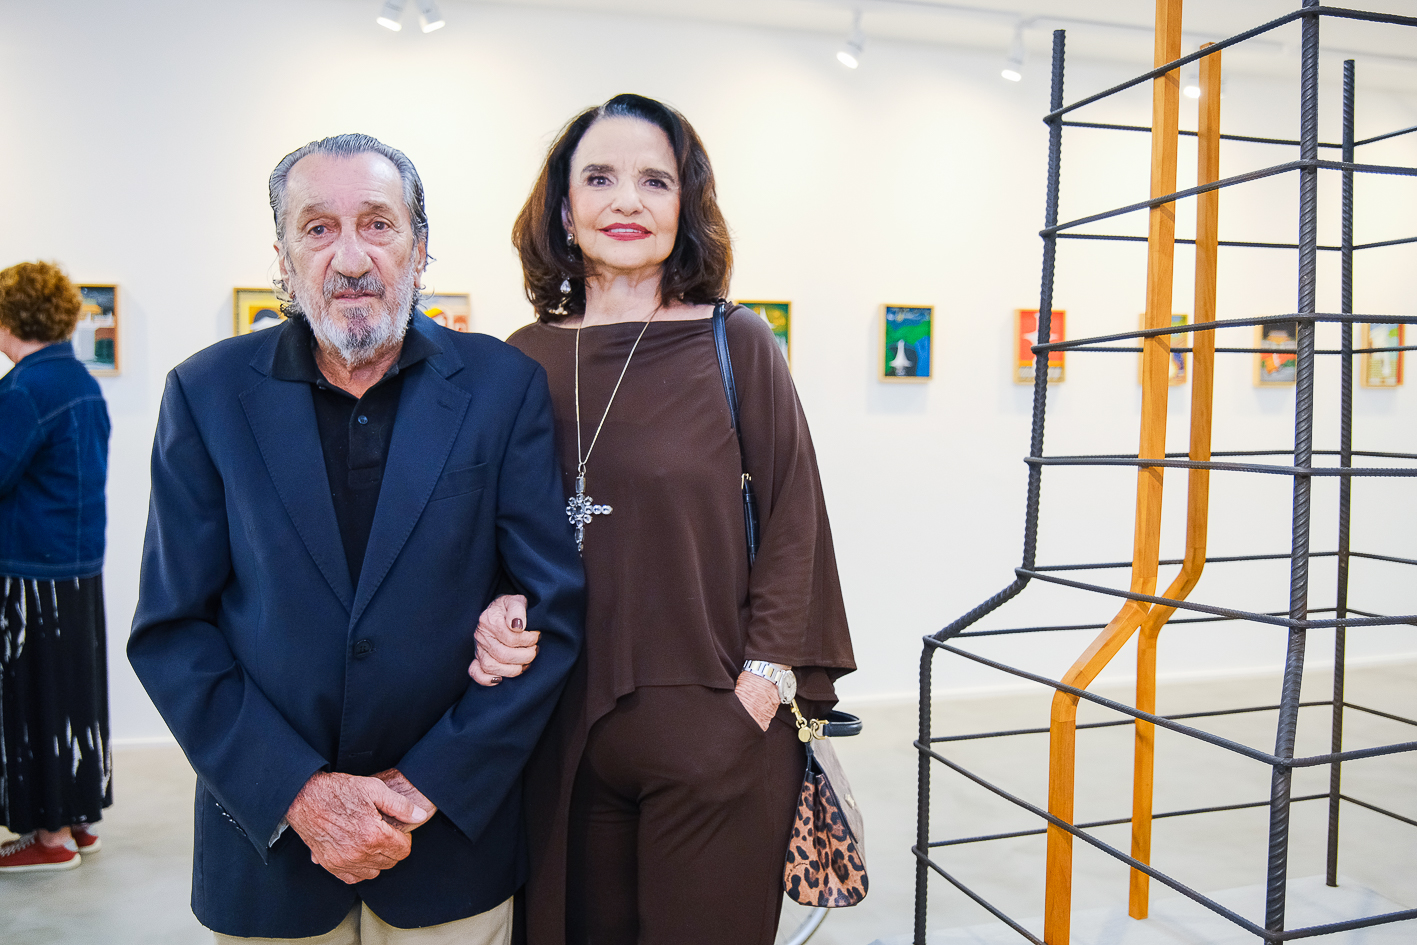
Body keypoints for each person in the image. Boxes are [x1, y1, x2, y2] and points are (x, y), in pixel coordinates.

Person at [127, 134, 584, 944]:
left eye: (377, 224)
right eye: (317, 228)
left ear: (419, 247)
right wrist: (301, 793)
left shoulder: (501, 386)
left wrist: (424, 784)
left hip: (448, 845)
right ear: (282, 257)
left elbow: (551, 610)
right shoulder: (205, 393)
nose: (349, 257)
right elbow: (172, 630)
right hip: (270, 853)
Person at [500, 93, 856, 945]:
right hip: (555, 735)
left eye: (654, 181)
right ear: (563, 208)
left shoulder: (735, 343)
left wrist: (755, 696)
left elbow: (795, 522)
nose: (626, 200)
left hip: (715, 726)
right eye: (599, 178)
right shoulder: (521, 357)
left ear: (684, 205)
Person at [0, 261, 112, 872]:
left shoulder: (25, 388)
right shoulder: (78, 380)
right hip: (74, 568)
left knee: (32, 697)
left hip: (29, 572)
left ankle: (50, 837)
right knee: (70, 693)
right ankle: (78, 818)